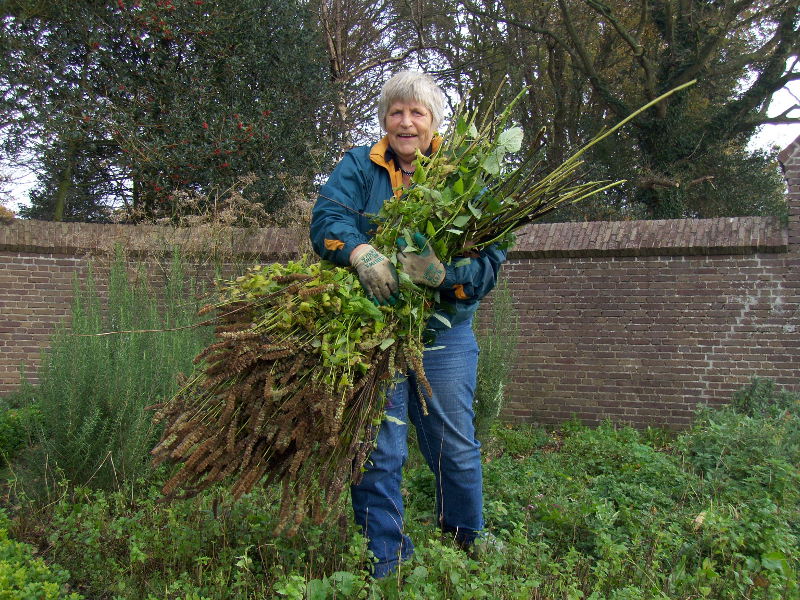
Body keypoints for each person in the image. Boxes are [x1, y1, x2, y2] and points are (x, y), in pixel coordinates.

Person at [310, 70, 506, 578]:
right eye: (396, 111)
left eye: (417, 112)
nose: (406, 122)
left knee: (454, 446)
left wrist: (443, 277)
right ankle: (386, 559)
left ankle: (465, 543)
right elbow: (326, 219)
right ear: (384, 119)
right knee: (378, 451)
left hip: (443, 334)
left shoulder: (463, 175)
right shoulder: (360, 165)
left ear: (434, 121)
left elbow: (487, 265)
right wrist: (358, 249)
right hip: (373, 331)